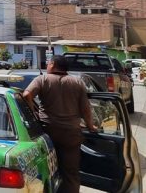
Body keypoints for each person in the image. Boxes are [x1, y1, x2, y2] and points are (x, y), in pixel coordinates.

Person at [23, 55, 96, 193]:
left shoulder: (42, 79)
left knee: (46, 171)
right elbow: (85, 109)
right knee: (70, 173)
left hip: (47, 133)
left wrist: (35, 115)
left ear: (52, 64)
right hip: (71, 135)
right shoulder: (77, 82)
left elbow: (27, 95)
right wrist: (91, 126)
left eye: (48, 63)